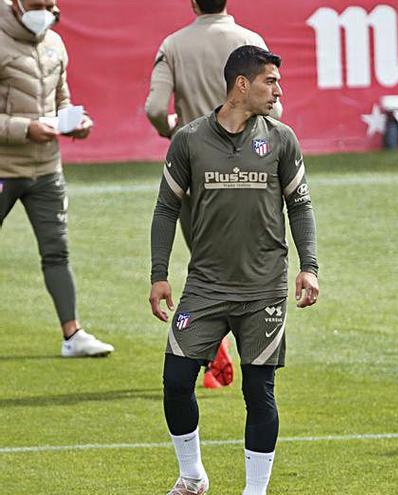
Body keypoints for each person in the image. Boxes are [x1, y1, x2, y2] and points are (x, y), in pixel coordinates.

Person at [149, 45, 319, 495]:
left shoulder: (282, 138)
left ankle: (254, 491)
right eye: (270, 81)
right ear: (241, 85)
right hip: (204, 286)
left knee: (258, 392)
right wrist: (159, 274)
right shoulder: (188, 139)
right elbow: (166, 209)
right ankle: (192, 475)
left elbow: (300, 207)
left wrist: (310, 267)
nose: (278, 90)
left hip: (264, 288)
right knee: (175, 382)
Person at [145, 0, 282, 388]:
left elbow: (155, 106)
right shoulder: (251, 41)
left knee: (206, 264)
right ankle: (233, 346)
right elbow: (276, 110)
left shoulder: (173, 45)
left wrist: (171, 129)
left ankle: (206, 344)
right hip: (251, 172)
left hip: (196, 171)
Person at [0, 0, 113, 357]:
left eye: (51, 4)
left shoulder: (55, 43)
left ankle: (72, 334)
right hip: (4, 167)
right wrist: (24, 129)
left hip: (47, 169)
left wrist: (75, 122)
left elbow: (62, 99)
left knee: (57, 252)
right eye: (39, 4)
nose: (47, 11)